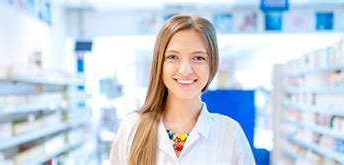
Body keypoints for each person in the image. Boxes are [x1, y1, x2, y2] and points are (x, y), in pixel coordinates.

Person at [109, 14, 255, 164]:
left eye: (198, 58)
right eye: (173, 57)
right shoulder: (132, 128)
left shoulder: (230, 134)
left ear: (212, 65)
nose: (185, 70)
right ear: (160, 63)